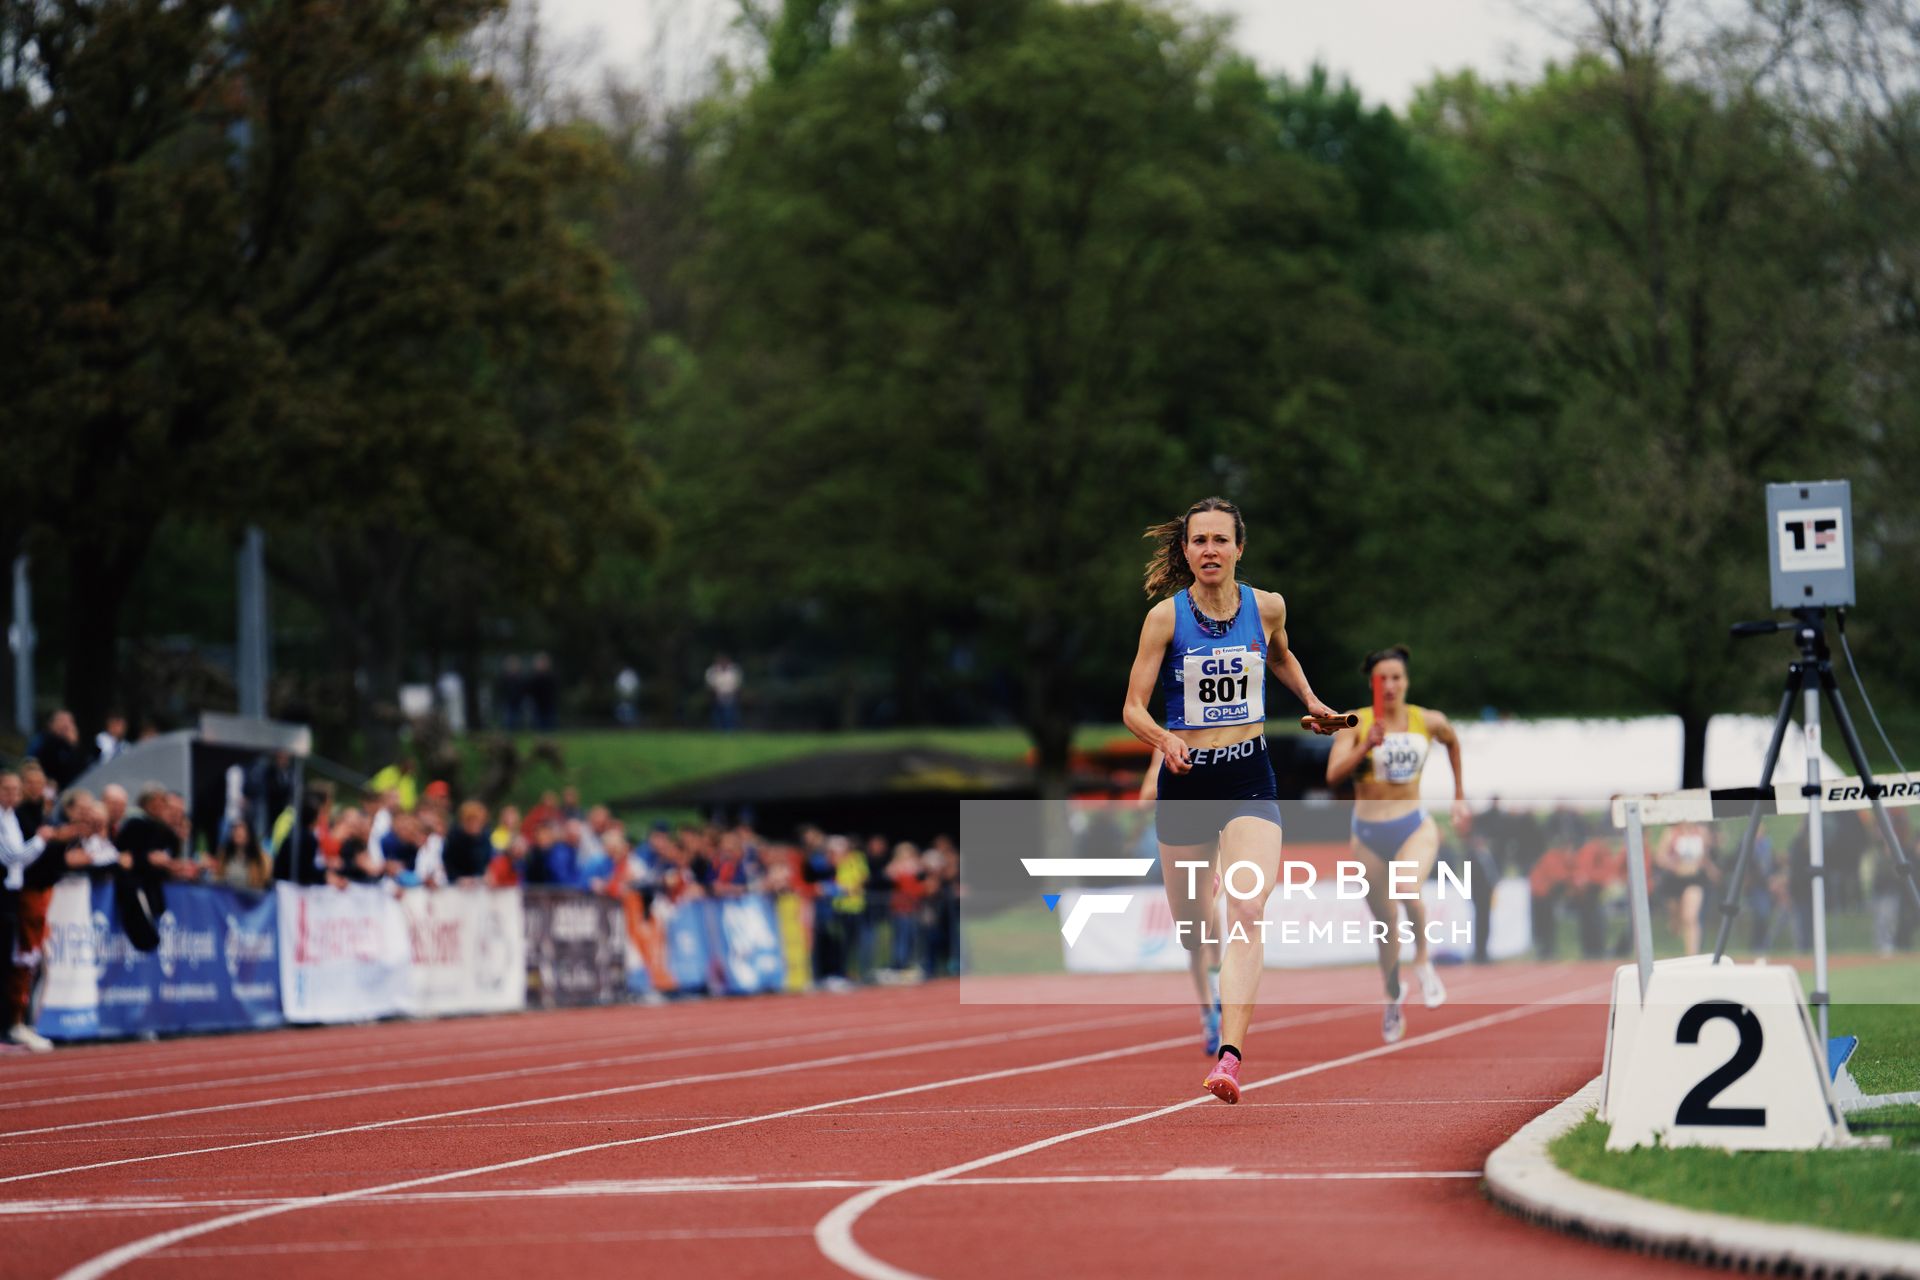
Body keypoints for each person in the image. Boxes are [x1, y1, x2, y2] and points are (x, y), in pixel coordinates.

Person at [1122, 496, 1339, 1104]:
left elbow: (1282, 655)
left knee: (1248, 909)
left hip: (1249, 777)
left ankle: (1230, 1056)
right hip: (1187, 784)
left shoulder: (1267, 606)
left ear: (1240, 548)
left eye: (1221, 540)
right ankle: (1211, 987)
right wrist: (1164, 739)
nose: (1210, 551)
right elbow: (1132, 707)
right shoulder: (1165, 619)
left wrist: (1313, 704)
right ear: (1186, 551)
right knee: (1195, 930)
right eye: (1199, 542)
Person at [1324, 645, 1471, 1044]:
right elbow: (1333, 775)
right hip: (1368, 834)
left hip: (1413, 826)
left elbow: (1453, 742)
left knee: (1406, 887)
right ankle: (1392, 996)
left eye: (1396, 678)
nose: (1389, 685)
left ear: (1406, 681)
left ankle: (1423, 961)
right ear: (1372, 683)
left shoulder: (1428, 720)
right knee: (1385, 924)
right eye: (1381, 679)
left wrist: (1459, 795)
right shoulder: (1356, 722)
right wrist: (1364, 746)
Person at [1655, 819, 1717, 955]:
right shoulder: (1671, 833)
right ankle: (1674, 921)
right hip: (1674, 880)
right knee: (1676, 921)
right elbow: (1660, 856)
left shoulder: (1701, 832)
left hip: (1694, 880)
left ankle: (1692, 955)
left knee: (1690, 917)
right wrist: (1674, 865)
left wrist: (1711, 869)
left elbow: (1705, 857)